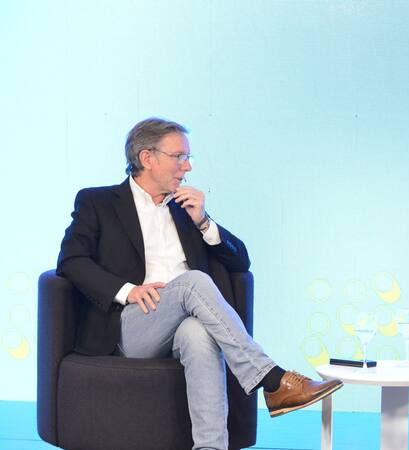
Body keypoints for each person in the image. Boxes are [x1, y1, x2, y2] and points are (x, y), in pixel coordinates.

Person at [57, 117, 342, 450]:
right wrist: (128, 291)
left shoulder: (185, 209)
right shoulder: (98, 202)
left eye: (188, 158)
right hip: (130, 325)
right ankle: (272, 379)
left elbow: (241, 261)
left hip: (181, 324)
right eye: (179, 157)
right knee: (193, 282)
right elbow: (71, 261)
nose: (187, 167)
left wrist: (204, 222)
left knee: (197, 331)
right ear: (147, 158)